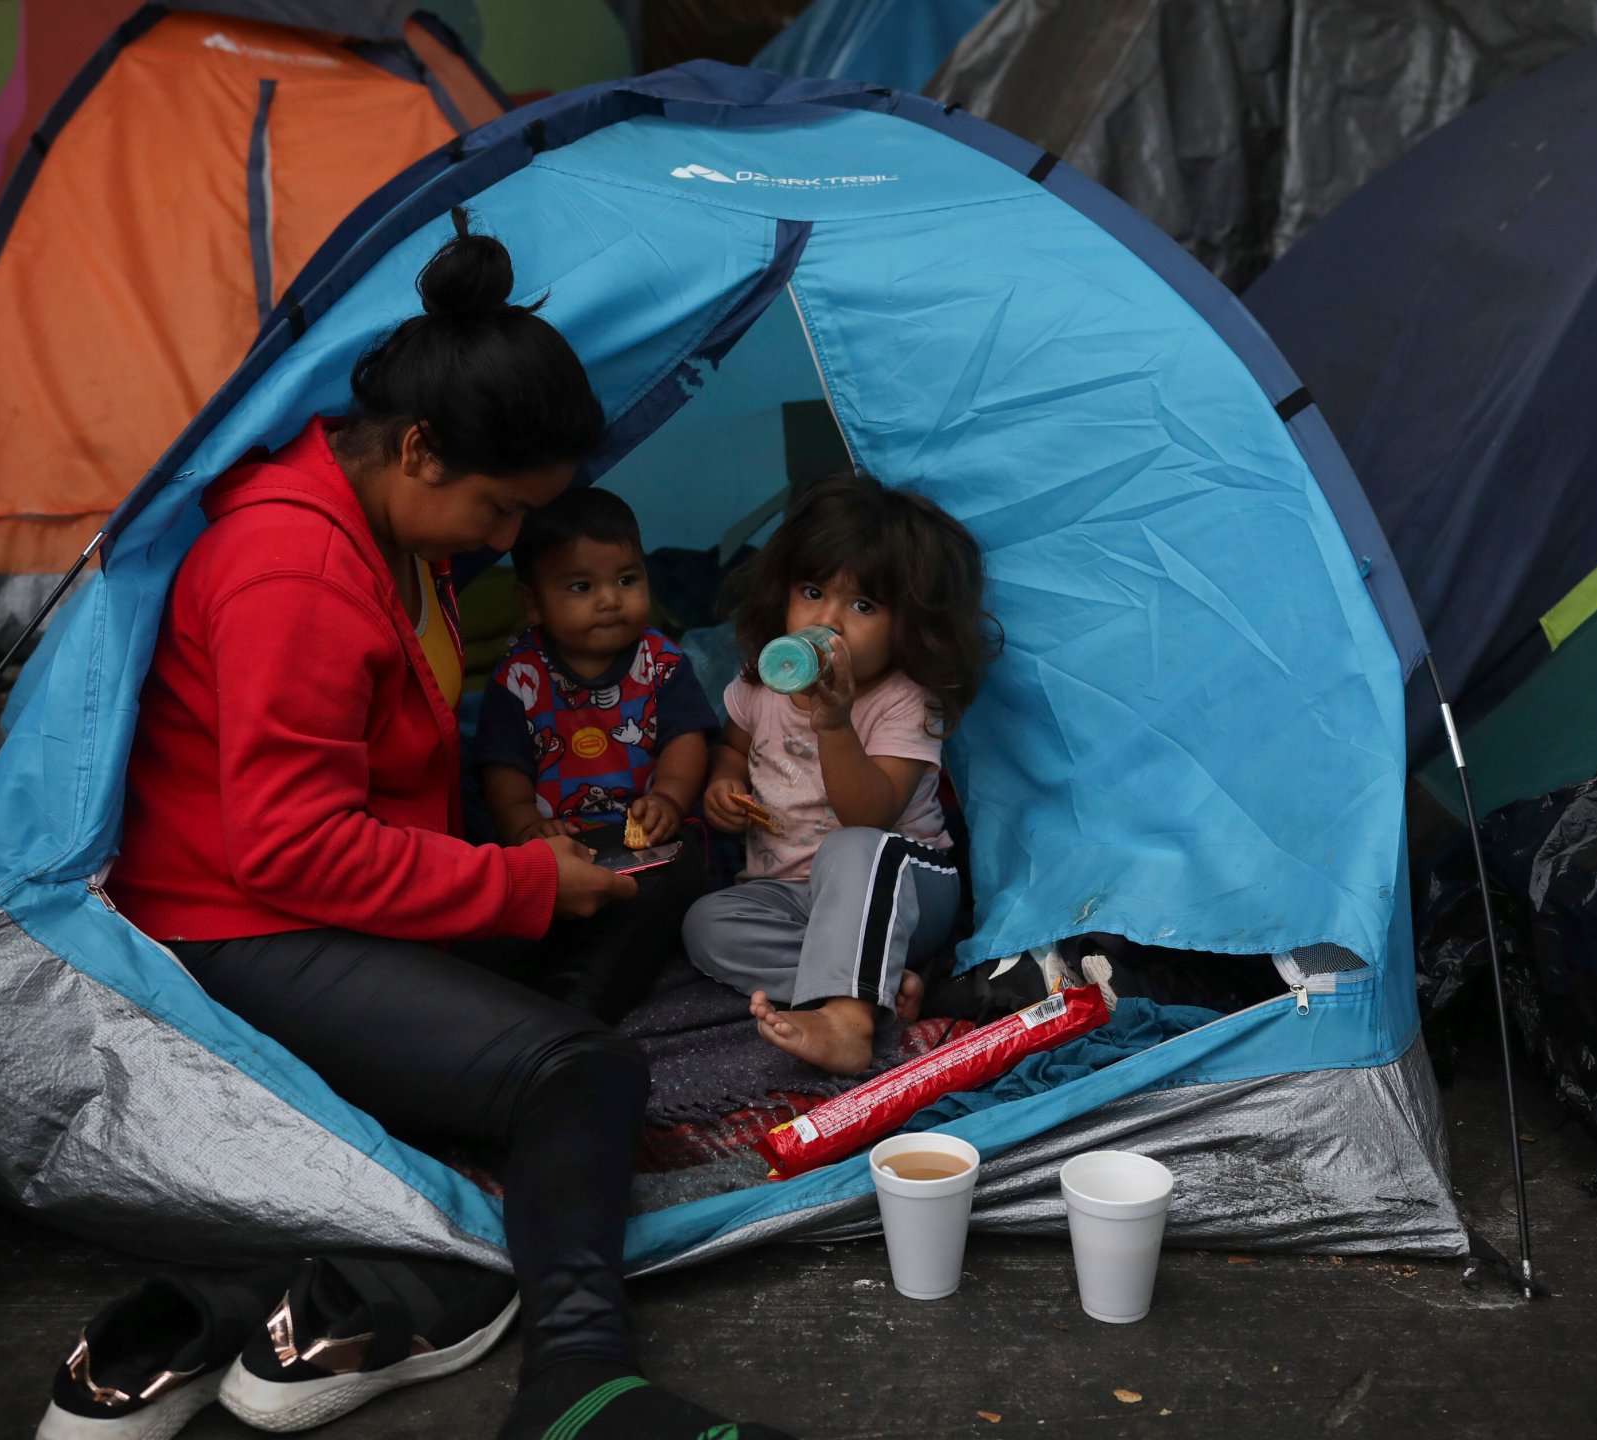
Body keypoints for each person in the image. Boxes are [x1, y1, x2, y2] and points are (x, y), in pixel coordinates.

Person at [102, 210, 791, 1440]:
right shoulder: (293, 572)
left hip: (338, 899)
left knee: (657, 877)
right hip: (237, 924)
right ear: (419, 450)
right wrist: (521, 883)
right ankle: (578, 1380)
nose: (506, 541)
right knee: (585, 1067)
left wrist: (538, 871)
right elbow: (288, 849)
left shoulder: (374, 521)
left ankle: (495, 1119)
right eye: (498, 512)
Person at [684, 472, 1001, 1076]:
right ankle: (876, 982)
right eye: (811, 592)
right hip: (789, 895)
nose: (826, 622)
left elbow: (870, 814)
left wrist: (835, 724)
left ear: (910, 623)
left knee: (851, 847)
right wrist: (723, 784)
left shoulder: (905, 700)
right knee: (706, 925)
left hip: (904, 885)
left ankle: (849, 1024)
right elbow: (732, 747)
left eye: (862, 606)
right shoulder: (758, 683)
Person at [470, 487, 714, 1022]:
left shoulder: (663, 663)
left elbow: (686, 739)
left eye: (627, 580)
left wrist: (670, 800)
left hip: (644, 840)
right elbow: (503, 769)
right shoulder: (518, 678)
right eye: (581, 586)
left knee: (677, 873)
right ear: (532, 602)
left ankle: (579, 1008)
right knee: (502, 898)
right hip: (557, 845)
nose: (609, 599)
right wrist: (522, 830)